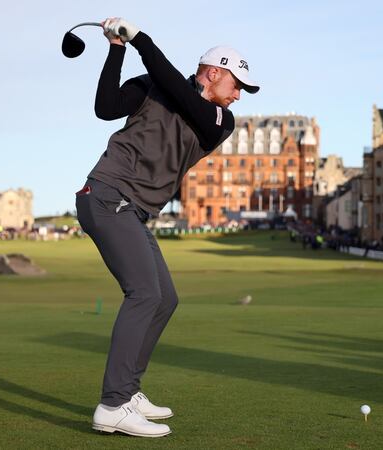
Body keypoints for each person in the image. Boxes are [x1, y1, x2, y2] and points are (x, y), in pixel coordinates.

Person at [74, 17, 259, 438]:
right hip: (106, 195)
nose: (238, 96)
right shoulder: (153, 85)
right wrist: (118, 48)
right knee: (144, 294)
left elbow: (181, 93)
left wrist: (141, 40)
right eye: (236, 86)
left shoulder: (218, 120)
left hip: (131, 210)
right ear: (214, 73)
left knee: (165, 299)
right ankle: (113, 404)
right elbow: (105, 108)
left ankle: (129, 390)